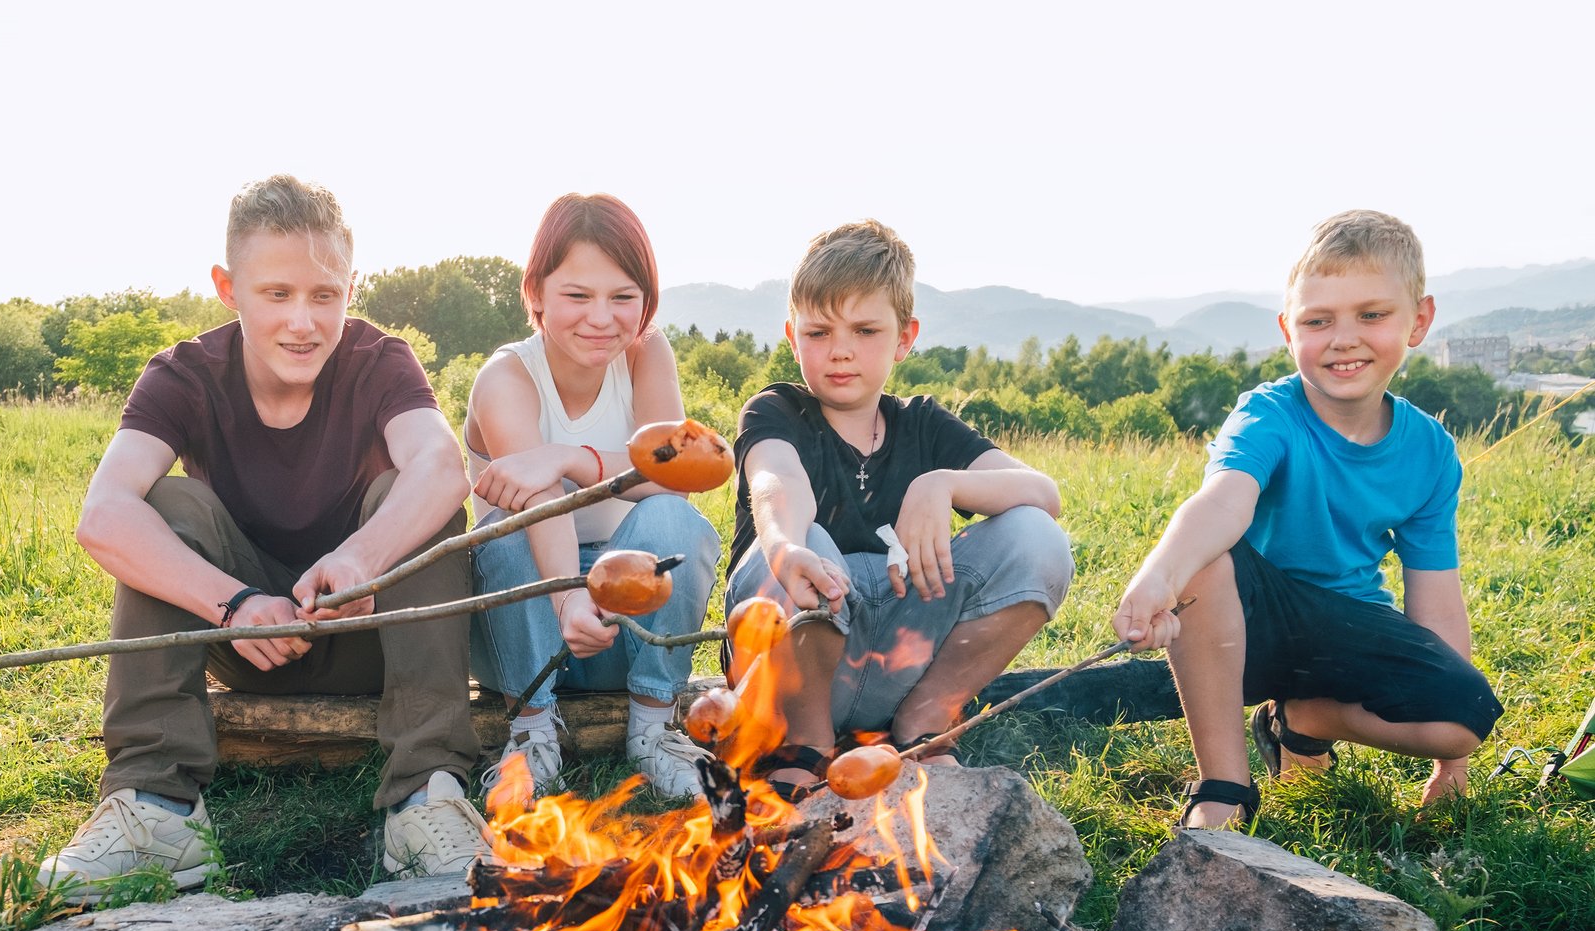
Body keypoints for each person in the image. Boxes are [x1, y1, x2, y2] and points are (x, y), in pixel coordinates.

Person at [39, 175, 487, 898]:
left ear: (350, 287)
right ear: (228, 287)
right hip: (243, 642)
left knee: (408, 498)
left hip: (372, 632)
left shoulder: (380, 361)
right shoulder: (183, 375)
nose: (302, 322)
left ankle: (424, 800)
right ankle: (156, 806)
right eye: (276, 294)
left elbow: (440, 467)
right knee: (167, 502)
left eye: (323, 295)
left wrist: (358, 562)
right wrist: (235, 603)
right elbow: (105, 515)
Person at [1113, 210, 1503, 830]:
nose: (1343, 338)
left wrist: (1450, 767)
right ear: (1287, 331)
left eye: (1371, 315)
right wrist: (1161, 574)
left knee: (1465, 719)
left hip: (1347, 623)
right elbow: (1223, 502)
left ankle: (1300, 720)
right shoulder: (1268, 414)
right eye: (1318, 321)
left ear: (1419, 321)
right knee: (1206, 555)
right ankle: (1225, 784)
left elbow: (1437, 602)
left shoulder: (1429, 450)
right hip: (1243, 624)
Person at [727, 221, 1072, 797]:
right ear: (792, 336)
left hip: (898, 658)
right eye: (818, 332)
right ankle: (806, 746)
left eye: (865, 330)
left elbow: (1044, 493)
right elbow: (776, 481)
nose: (840, 350)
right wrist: (785, 547)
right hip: (789, 668)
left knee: (1038, 539)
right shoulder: (776, 411)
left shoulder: (924, 425)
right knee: (804, 541)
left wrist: (944, 484)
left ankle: (923, 725)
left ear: (904, 337)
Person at [464, 194, 720, 799]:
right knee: (505, 522)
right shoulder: (506, 379)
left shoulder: (646, 354)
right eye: (577, 296)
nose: (601, 318)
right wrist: (567, 602)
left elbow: (675, 471)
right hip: (524, 626)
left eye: (622, 297)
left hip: (624, 621)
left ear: (647, 300)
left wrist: (573, 456)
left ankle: (653, 725)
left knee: (673, 519)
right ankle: (529, 733)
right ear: (536, 294)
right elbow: (539, 501)